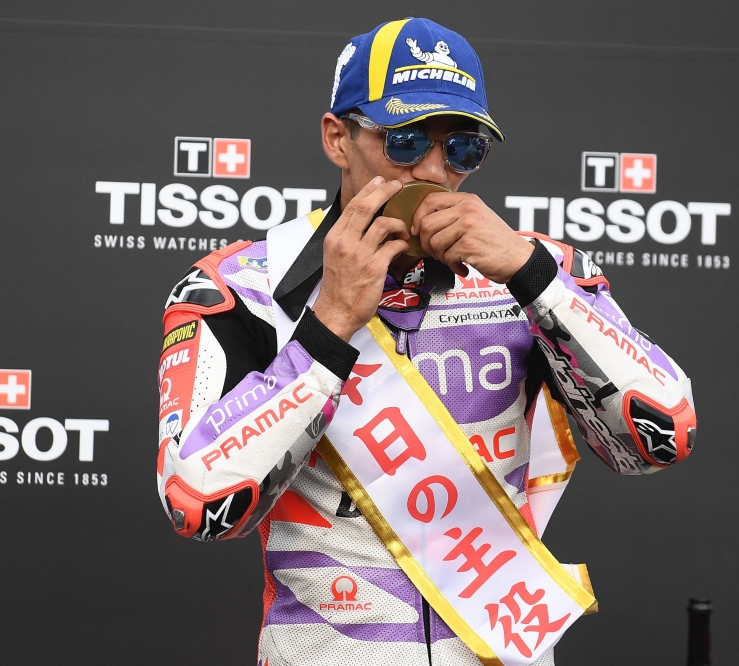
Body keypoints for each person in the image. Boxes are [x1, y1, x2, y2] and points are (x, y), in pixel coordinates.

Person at [156, 17, 696, 666]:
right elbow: (198, 503)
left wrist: (533, 277)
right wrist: (327, 325)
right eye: (406, 141)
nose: (436, 174)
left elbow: (662, 435)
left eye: (463, 149)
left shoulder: (533, 271)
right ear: (338, 138)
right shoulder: (240, 286)